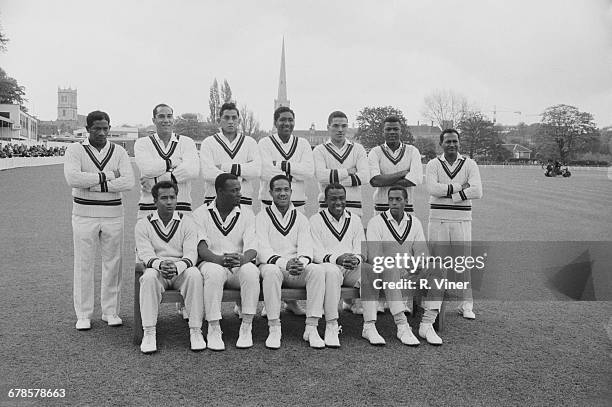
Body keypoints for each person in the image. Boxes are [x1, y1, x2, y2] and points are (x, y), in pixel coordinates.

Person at [64, 110, 134, 331]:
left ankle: (110, 311)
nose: (102, 132)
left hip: (114, 214)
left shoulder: (119, 151)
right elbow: (73, 178)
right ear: (88, 129)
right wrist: (108, 176)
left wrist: (91, 183)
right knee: (84, 263)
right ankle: (83, 314)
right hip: (84, 215)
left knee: (113, 263)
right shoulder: (75, 149)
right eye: (97, 128)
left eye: (106, 128)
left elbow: (129, 182)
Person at [366, 186, 445, 346]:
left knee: (438, 267)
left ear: (406, 201)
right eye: (391, 199)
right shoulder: (376, 222)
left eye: (398, 199)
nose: (394, 203)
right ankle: (402, 325)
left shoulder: (414, 222)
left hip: (409, 271)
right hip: (385, 273)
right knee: (391, 268)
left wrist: (418, 264)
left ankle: (427, 324)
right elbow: (374, 257)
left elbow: (422, 252)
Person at [257, 175, 327, 349]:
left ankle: (311, 328)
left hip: (296, 268)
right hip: (273, 267)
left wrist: (300, 263)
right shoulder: (261, 216)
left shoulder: (301, 218)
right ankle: (274, 328)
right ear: (270, 192)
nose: (282, 193)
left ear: (291, 191)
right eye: (278, 190)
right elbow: (263, 250)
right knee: (271, 272)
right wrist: (284, 263)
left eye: (286, 189)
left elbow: (306, 249)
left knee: (317, 271)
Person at [135, 181, 205, 353]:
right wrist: (161, 264)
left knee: (195, 275)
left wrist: (177, 266)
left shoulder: (187, 222)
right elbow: (145, 255)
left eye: (172, 197)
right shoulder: (143, 224)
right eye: (164, 198)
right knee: (149, 277)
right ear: (154, 201)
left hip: (180, 271)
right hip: (157, 270)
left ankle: (196, 330)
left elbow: (191, 255)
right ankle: (149, 332)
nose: (169, 202)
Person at [258, 106, 314, 316]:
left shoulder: (303, 143)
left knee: (295, 250)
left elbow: (308, 172)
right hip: (269, 204)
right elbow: (264, 172)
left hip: (297, 203)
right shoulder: (264, 143)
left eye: (290, 120)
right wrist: (293, 171)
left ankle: (291, 302)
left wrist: (280, 165)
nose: (287, 124)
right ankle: (270, 301)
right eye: (282, 120)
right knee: (271, 252)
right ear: (275, 122)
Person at [193, 174, 260, 350]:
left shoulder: (247, 213)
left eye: (239, 189)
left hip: (238, 264)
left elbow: (252, 246)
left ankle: (247, 326)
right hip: (212, 263)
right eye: (234, 190)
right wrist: (219, 260)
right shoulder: (201, 213)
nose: (239, 194)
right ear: (220, 192)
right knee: (213, 273)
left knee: (252, 272)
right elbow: (201, 248)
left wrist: (243, 259)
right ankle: (214, 328)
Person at [310, 183, 378, 347]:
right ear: (325, 200)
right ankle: (332, 325)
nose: (338, 202)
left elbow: (361, 249)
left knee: (369, 272)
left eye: (341, 198)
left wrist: (356, 258)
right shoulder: (316, 220)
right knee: (332, 272)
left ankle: (370, 326)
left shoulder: (354, 219)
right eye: (333, 199)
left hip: (350, 267)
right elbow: (315, 253)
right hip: (328, 266)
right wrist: (337, 258)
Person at [425, 128, 482, 320]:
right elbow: (432, 188)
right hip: (438, 219)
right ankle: (431, 303)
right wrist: (460, 188)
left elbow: (477, 191)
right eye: (448, 141)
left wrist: (448, 194)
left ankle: (466, 305)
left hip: (462, 219)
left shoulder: (470, 164)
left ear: (459, 143)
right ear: (441, 144)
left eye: (455, 141)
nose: (451, 145)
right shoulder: (433, 164)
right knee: (436, 263)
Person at [134, 103, 200, 219]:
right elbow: (148, 169)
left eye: (169, 116)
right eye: (161, 116)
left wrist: (156, 180)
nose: (166, 120)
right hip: (149, 209)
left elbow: (192, 171)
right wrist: (173, 162)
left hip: (181, 208)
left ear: (173, 119)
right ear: (154, 120)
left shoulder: (186, 142)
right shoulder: (142, 143)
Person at [200, 102, 261, 207]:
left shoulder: (250, 142)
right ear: (219, 121)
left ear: (239, 121)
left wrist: (224, 167)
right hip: (214, 201)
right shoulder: (208, 142)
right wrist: (241, 176)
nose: (230, 121)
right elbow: (208, 173)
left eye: (234, 118)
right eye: (226, 118)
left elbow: (255, 171)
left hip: (243, 201)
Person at [313, 111, 369, 217]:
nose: (340, 130)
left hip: (354, 209)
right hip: (326, 209)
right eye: (336, 126)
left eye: (344, 126)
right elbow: (321, 176)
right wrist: (347, 172)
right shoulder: (319, 150)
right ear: (328, 127)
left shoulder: (358, 149)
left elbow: (365, 177)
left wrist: (331, 182)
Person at [368, 115, 423, 213]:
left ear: (400, 131)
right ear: (383, 132)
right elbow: (375, 181)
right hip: (381, 209)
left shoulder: (412, 151)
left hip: (406, 208)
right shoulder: (375, 152)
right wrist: (402, 174)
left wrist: (384, 180)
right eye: (388, 129)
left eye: (395, 129)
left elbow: (416, 179)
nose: (392, 132)